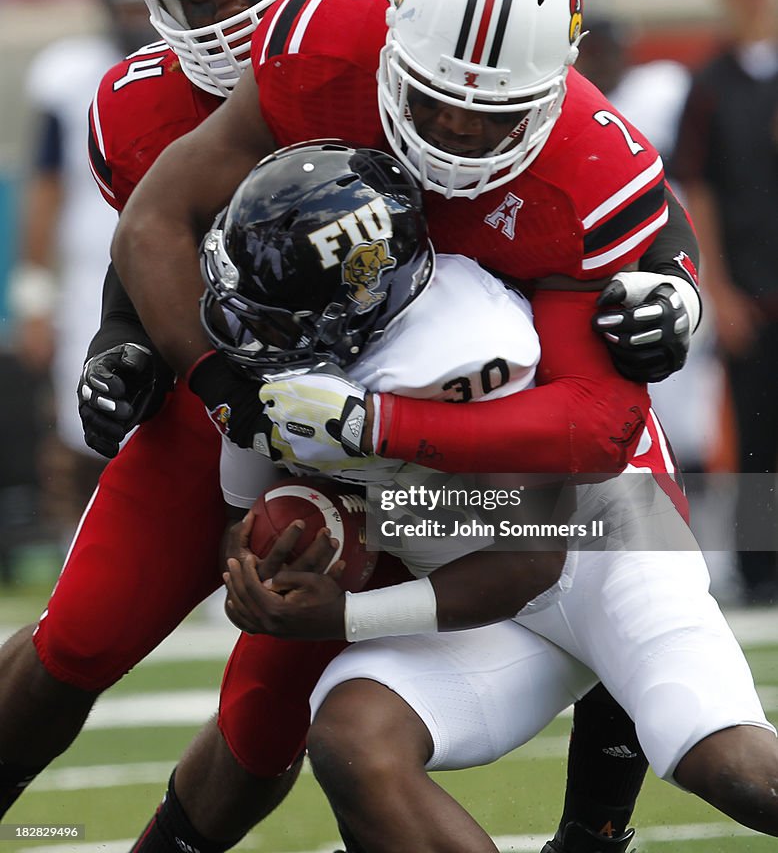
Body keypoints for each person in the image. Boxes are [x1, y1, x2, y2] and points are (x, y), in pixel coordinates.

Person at [0, 0, 648, 853]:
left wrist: (672, 291)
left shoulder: (428, 52)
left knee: (622, 535)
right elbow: (153, 241)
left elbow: (587, 221)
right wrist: (128, 346)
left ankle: (596, 827)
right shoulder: (164, 96)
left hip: (403, 434)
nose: (229, 16)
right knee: (81, 633)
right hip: (231, 396)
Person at [211, 154, 776, 851]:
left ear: (355, 302)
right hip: (475, 598)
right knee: (355, 740)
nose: (254, 330)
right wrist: (254, 574)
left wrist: (347, 613)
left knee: (734, 768)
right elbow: (238, 518)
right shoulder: (272, 368)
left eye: (280, 311)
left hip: (605, 552)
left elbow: (529, 560)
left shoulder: (465, 346)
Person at [7, 0, 156, 543]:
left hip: (179, 268)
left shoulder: (195, 67)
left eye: (141, 5)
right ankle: (88, 552)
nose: (133, 18)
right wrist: (34, 299)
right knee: (86, 424)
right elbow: (42, 193)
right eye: (124, 6)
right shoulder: (71, 75)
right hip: (90, 280)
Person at [673, 0, 778, 604]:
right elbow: (698, 189)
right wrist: (721, 290)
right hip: (750, 288)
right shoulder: (710, 84)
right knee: (756, 434)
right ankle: (761, 566)